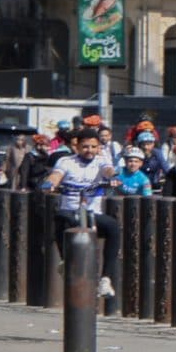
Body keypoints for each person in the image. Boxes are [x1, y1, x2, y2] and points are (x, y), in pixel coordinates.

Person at [44, 125, 122, 298]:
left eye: (94, 147)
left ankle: (105, 279)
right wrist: (50, 184)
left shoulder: (102, 159)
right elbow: (56, 175)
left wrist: (113, 177)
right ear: (77, 147)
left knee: (113, 227)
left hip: (93, 212)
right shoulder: (66, 162)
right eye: (85, 146)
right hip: (70, 210)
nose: (90, 150)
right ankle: (65, 260)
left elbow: (108, 170)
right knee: (61, 218)